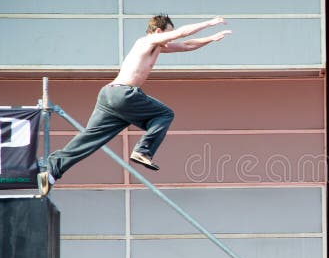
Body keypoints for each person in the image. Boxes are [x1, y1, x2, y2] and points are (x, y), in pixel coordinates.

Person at [38, 14, 231, 194]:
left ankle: (52, 170)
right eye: (169, 35)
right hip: (123, 94)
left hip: (109, 97)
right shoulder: (147, 41)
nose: (171, 40)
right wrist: (208, 23)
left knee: (91, 138)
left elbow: (187, 44)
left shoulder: (158, 46)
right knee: (164, 114)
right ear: (158, 31)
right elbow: (182, 34)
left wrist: (211, 38)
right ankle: (142, 150)